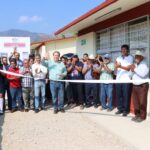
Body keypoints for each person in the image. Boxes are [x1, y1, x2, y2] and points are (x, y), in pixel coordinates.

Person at [130, 50, 149, 122]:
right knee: (136, 102)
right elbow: (131, 75)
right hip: (135, 85)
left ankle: (142, 117)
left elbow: (143, 74)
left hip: (142, 86)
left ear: (141, 57)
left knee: (142, 102)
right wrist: (131, 71)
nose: (136, 57)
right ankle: (137, 115)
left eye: (138, 56)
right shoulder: (135, 64)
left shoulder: (145, 64)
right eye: (135, 56)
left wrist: (134, 69)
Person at [115, 44, 134, 116]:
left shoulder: (130, 57)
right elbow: (116, 68)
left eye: (124, 49)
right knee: (119, 95)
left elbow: (128, 68)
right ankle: (120, 109)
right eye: (122, 49)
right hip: (118, 79)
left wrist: (120, 66)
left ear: (127, 50)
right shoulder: (118, 58)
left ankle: (126, 110)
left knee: (126, 95)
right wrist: (116, 67)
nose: (123, 51)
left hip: (126, 79)